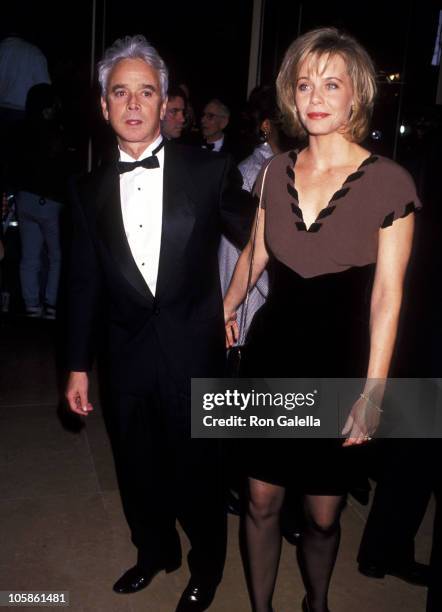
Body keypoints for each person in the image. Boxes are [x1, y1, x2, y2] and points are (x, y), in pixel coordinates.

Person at [223, 27, 419, 612]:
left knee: (323, 514)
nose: (316, 95)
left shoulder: (390, 182)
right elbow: (255, 253)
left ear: (356, 93)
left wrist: (374, 391)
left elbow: (388, 296)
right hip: (273, 354)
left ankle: (316, 603)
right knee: (260, 499)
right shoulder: (271, 172)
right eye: (305, 82)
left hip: (339, 361)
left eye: (331, 83)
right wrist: (227, 306)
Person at [64, 35, 252, 612]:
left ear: (165, 99)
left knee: (200, 471)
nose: (134, 103)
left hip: (195, 354)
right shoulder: (86, 189)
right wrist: (75, 364)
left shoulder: (208, 168)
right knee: (137, 468)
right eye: (120, 92)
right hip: (125, 358)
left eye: (147, 91)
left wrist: (233, 302)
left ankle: (206, 568)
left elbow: (262, 236)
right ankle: (155, 552)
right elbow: (81, 285)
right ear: (103, 105)